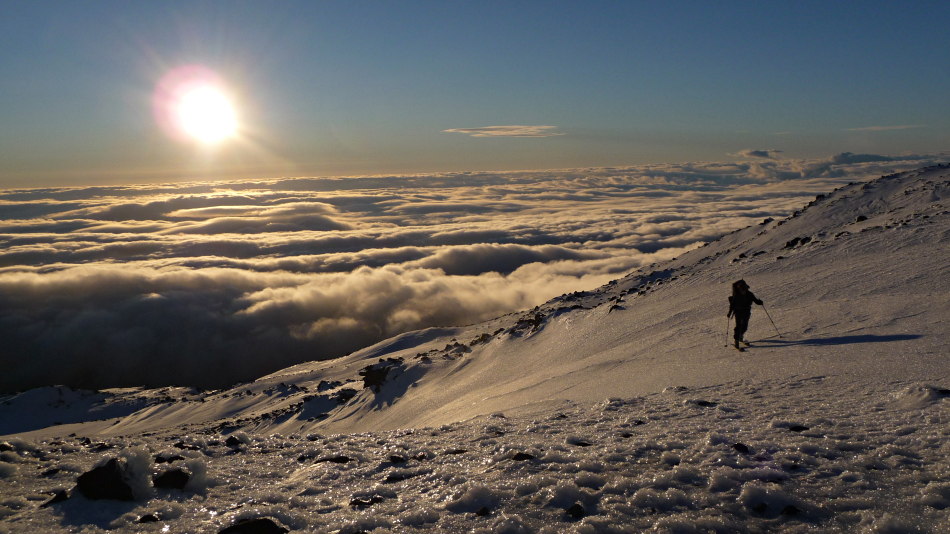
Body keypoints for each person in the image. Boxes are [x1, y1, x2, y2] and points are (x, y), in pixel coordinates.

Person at [727, 279, 763, 350]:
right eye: (742, 290)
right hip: (738, 312)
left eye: (744, 290)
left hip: (746, 311)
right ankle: (736, 340)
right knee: (738, 326)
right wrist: (729, 312)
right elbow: (732, 305)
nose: (743, 291)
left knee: (745, 326)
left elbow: (756, 301)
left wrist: (760, 302)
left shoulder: (750, 294)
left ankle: (740, 337)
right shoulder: (736, 296)